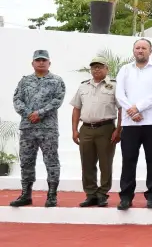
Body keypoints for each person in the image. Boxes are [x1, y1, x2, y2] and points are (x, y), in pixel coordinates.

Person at [115, 39, 152, 210]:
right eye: (137, 48)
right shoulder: (125, 70)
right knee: (129, 160)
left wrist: (138, 107)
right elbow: (119, 94)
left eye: (144, 48)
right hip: (130, 125)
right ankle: (126, 196)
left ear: (150, 51)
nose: (140, 50)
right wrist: (131, 111)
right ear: (133, 51)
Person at [10, 49, 66, 207]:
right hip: (28, 128)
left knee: (51, 161)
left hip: (48, 129)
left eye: (44, 60)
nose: (41, 62)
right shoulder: (24, 81)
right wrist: (29, 114)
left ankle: (52, 195)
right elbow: (17, 100)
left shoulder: (57, 81)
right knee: (26, 162)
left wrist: (39, 113)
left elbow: (57, 101)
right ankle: (26, 194)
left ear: (49, 63)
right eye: (38, 60)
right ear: (33, 63)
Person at [69, 56, 122, 207]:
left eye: (100, 66)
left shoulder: (114, 86)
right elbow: (76, 108)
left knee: (105, 164)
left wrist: (119, 129)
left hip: (106, 128)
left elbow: (121, 109)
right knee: (87, 163)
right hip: (86, 129)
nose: (96, 69)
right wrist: (74, 130)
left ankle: (102, 194)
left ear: (107, 69)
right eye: (94, 67)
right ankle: (91, 194)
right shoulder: (83, 86)